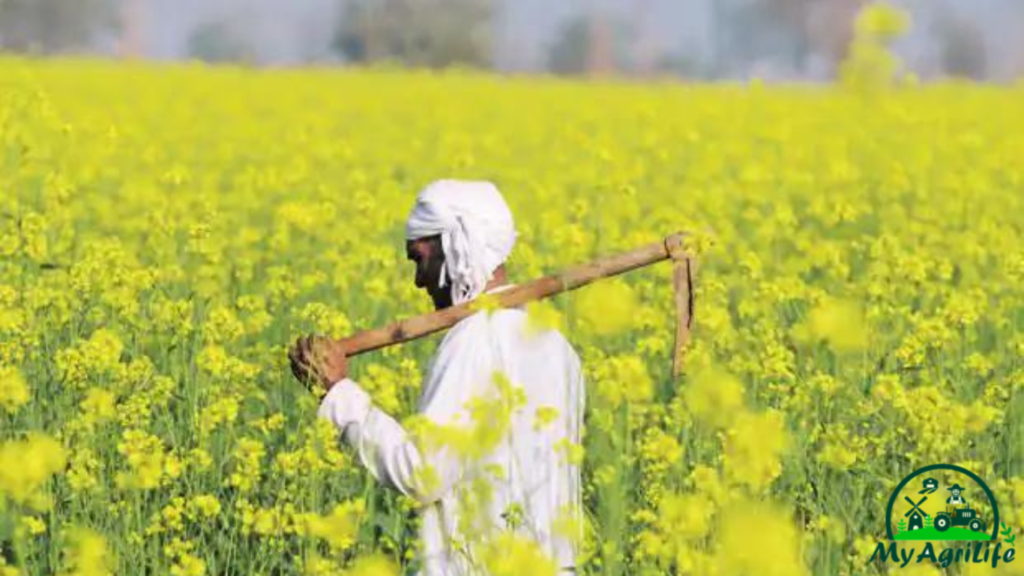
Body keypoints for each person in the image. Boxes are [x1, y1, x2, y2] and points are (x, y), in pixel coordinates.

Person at [289, 179, 585, 575]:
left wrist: (340, 394)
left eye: (419, 259)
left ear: (456, 246)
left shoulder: (475, 337)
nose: (418, 281)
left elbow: (423, 474)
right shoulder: (556, 342)